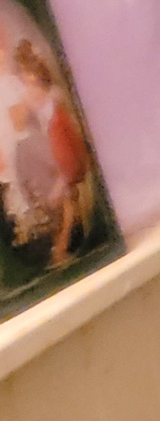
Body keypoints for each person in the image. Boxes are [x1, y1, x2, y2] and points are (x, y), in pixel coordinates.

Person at [12, 41, 89, 265]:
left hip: (64, 161)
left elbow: (70, 151)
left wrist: (61, 182)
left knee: (65, 200)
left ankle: (62, 247)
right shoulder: (32, 106)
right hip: (51, 160)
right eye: (23, 77)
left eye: (29, 76)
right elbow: (21, 124)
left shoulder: (55, 105)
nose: (26, 81)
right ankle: (60, 246)